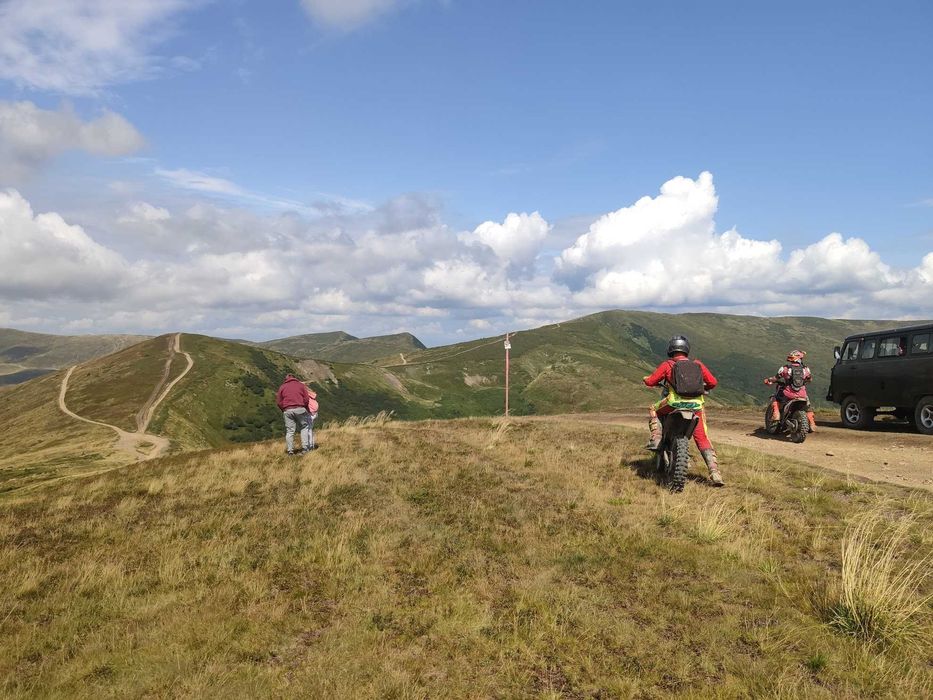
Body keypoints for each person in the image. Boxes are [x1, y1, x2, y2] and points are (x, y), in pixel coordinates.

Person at [644, 335, 723, 486]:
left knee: (653, 409)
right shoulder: (698, 364)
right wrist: (702, 387)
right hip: (696, 406)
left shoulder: (668, 364)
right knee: (702, 437)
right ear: (686, 349)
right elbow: (713, 382)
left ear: (671, 350)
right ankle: (714, 472)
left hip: (673, 403)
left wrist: (646, 379)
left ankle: (656, 438)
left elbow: (651, 381)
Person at [764, 350, 816, 432]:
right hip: (802, 394)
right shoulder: (806, 369)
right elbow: (809, 380)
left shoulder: (785, 369)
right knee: (807, 407)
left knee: (775, 399)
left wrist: (769, 380)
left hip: (789, 394)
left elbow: (775, 378)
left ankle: (776, 416)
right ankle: (812, 423)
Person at [275, 373, 312, 455]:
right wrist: (304, 407)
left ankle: (290, 451)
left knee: (290, 431)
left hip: (288, 410)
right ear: (295, 378)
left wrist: (283, 409)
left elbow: (278, 402)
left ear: (286, 379)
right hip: (300, 409)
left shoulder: (282, 387)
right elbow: (306, 399)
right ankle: (305, 449)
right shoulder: (300, 385)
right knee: (304, 427)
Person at [305, 384, 320, 450]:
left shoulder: (305, 394)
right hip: (314, 413)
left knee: (308, 430)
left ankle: (310, 446)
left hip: (309, 413)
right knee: (310, 429)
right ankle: (311, 445)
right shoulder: (311, 394)